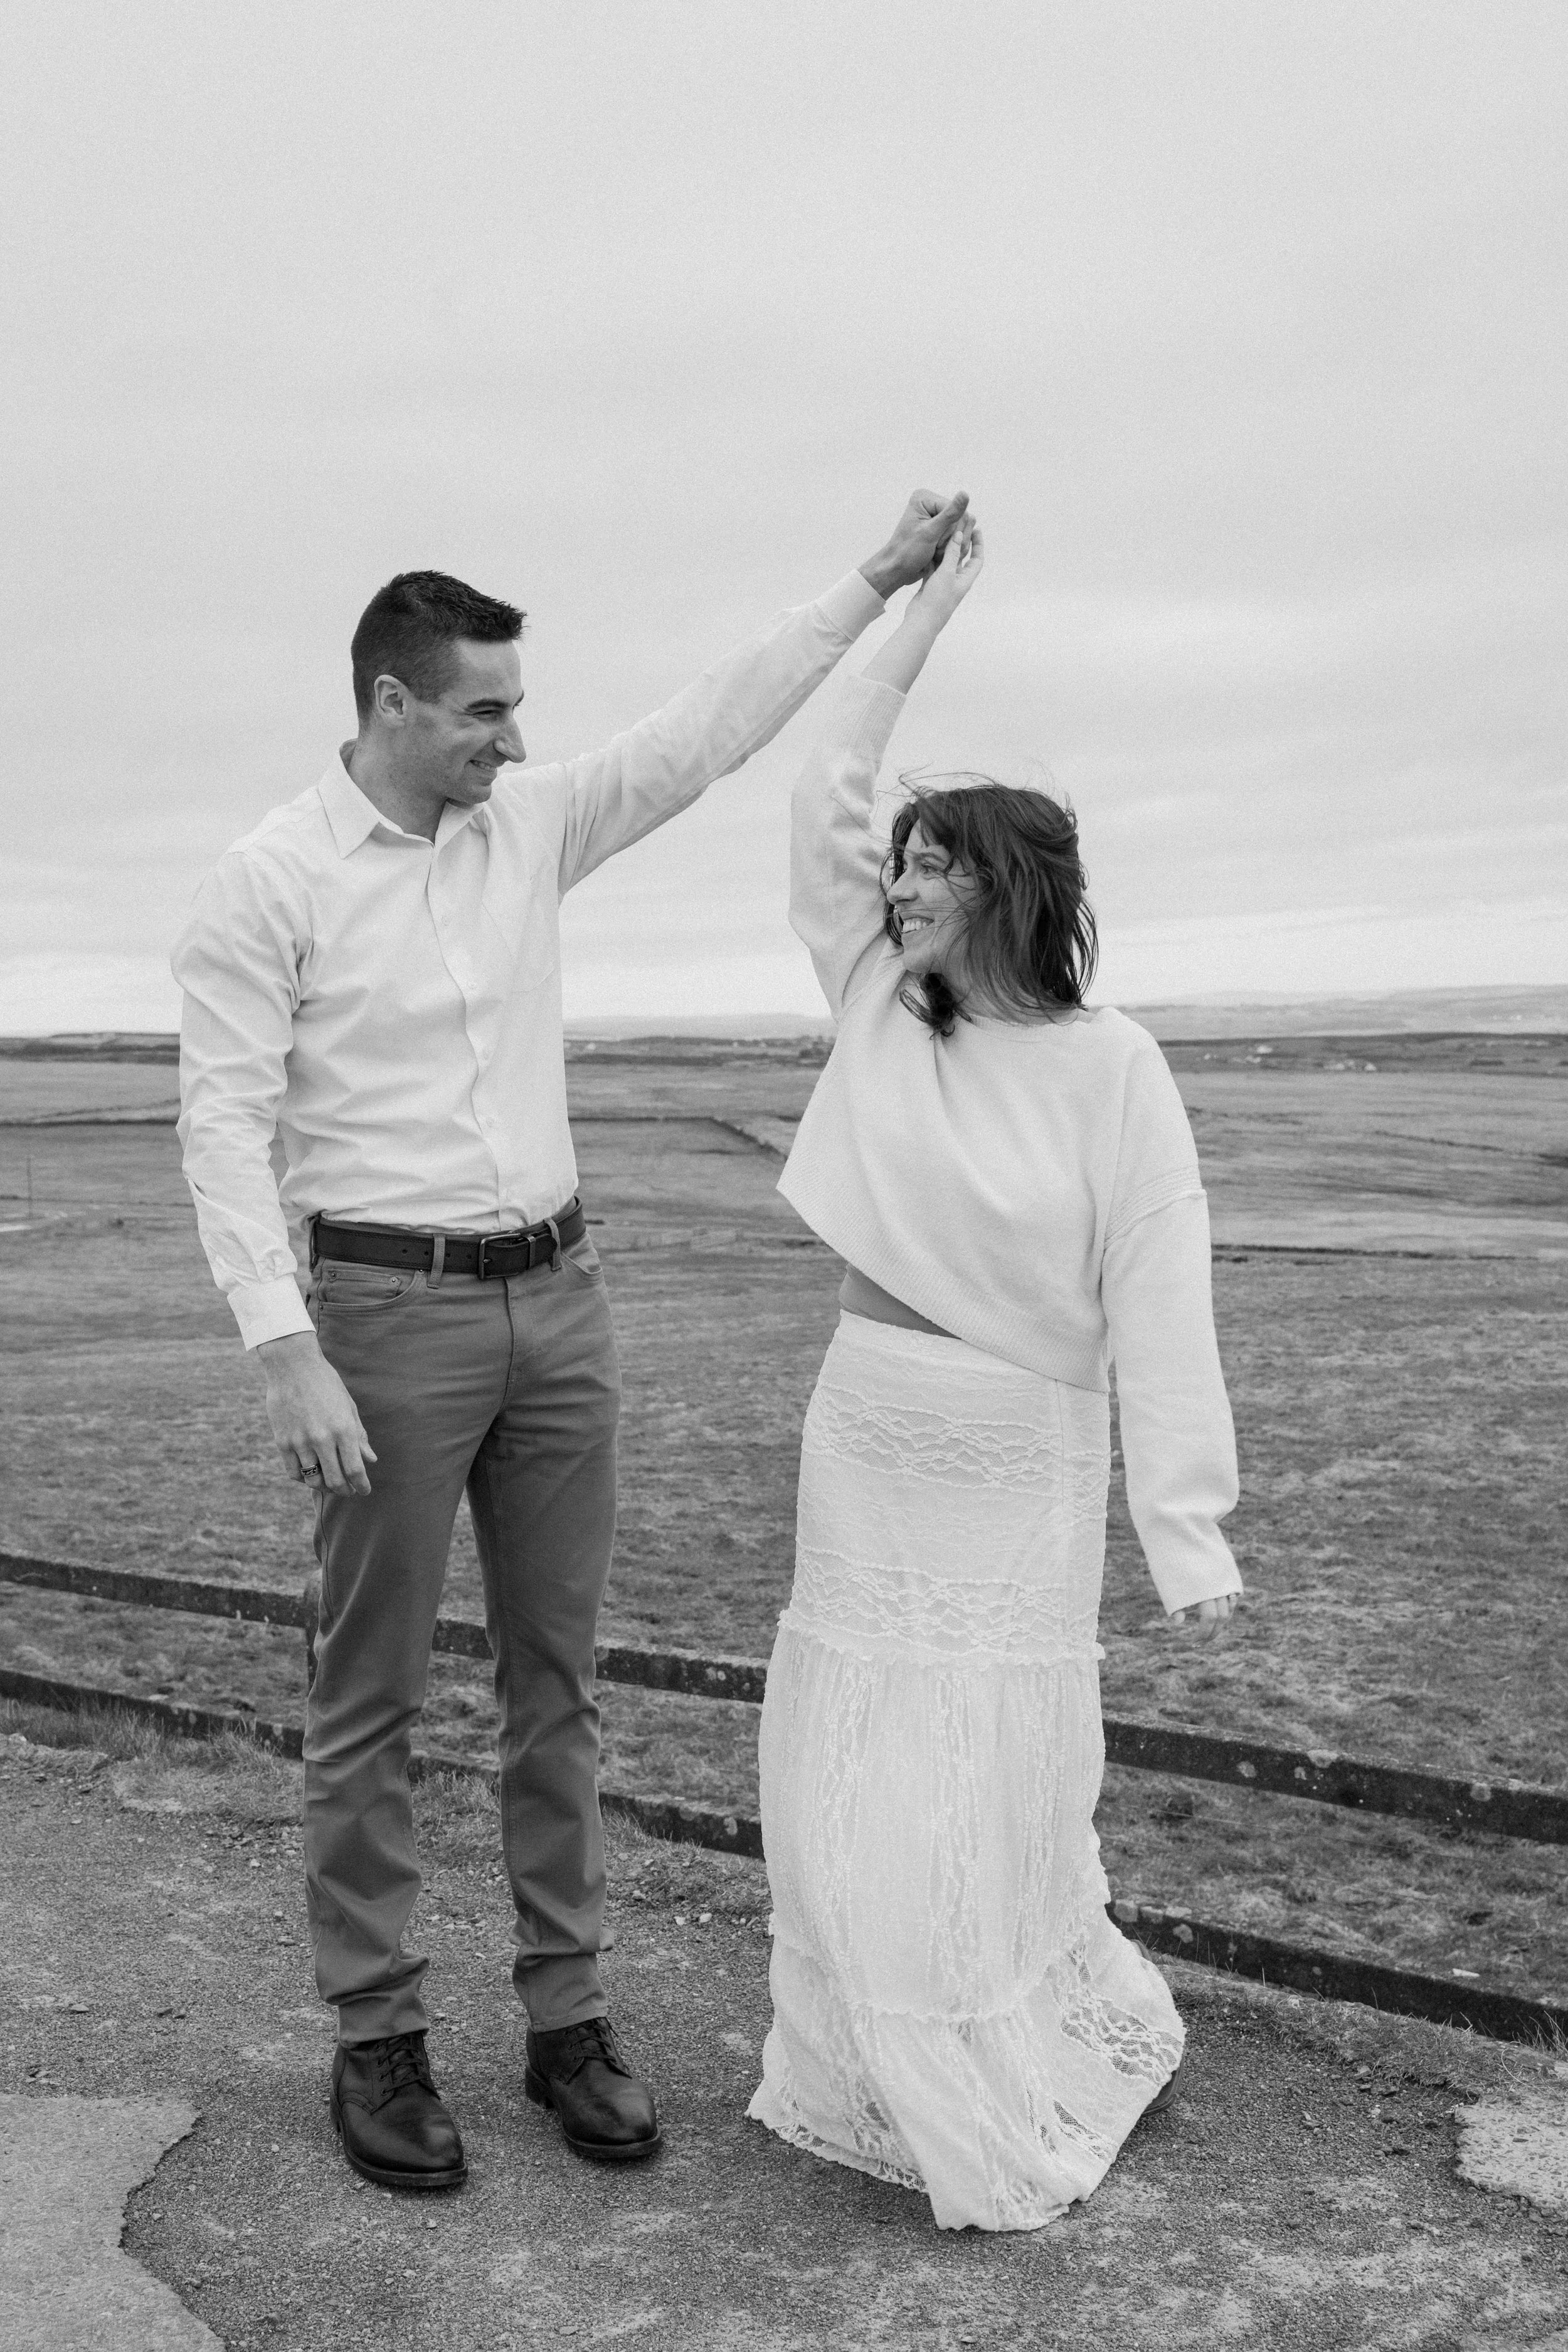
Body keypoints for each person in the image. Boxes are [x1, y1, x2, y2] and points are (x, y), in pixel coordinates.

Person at [171, 487, 969, 2191]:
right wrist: (282, 1345)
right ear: (395, 704)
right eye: (484, 710)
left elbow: (703, 736)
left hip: (562, 1303)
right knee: (365, 1697)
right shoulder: (270, 880)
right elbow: (221, 1126)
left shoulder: (527, 829)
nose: (514, 738)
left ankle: (565, 2024)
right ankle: (379, 2040)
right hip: (381, 1316)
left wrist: (869, 581)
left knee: (561, 1689)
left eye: (517, 710)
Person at [746, 521, 1243, 2232]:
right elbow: (823, 784)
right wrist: (916, 604)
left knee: (986, 1773)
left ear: (1010, 884)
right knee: (856, 1764)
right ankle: (865, 2064)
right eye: (892, 869)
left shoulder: (1116, 1068)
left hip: (1021, 1461)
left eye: (929, 867)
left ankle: (997, 2052)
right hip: (868, 1436)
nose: (895, 887)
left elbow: (1157, 1287)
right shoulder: (881, 1000)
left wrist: (1184, 1528)